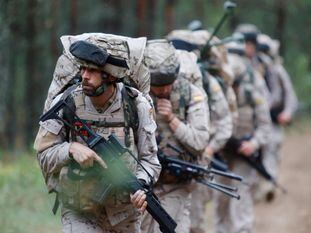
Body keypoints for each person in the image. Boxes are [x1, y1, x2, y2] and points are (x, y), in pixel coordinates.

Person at [34, 39, 161, 233]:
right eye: (83, 69)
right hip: (79, 210)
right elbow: (43, 155)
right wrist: (70, 149)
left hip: (124, 214)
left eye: (92, 71)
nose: (84, 76)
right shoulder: (67, 102)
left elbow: (150, 160)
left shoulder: (137, 105)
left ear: (110, 75)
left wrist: (141, 185)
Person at [141, 39, 210, 233]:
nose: (163, 90)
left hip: (175, 184)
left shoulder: (191, 94)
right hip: (141, 186)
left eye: (168, 84)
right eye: (157, 86)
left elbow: (200, 142)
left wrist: (172, 120)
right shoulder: (136, 95)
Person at [212, 41, 271, 233]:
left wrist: (253, 144)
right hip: (220, 154)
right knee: (220, 198)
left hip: (244, 155)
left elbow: (264, 125)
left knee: (241, 194)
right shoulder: (214, 88)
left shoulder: (253, 90)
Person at [256, 34, 298, 201]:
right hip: (256, 123)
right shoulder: (250, 70)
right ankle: (262, 185)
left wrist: (287, 113)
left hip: (274, 122)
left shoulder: (278, 70)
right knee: (259, 153)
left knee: (273, 151)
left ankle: (269, 184)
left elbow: (290, 96)